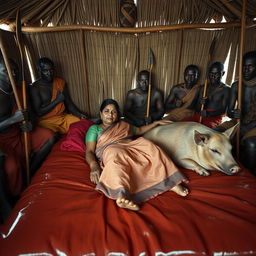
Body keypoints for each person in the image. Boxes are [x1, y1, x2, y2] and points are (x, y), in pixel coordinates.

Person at [85, 99, 189, 211]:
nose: (110, 114)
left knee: (149, 146)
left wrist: (156, 123)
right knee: (117, 157)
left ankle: (170, 183)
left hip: (130, 145)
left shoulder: (123, 124)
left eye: (114, 112)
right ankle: (121, 195)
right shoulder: (94, 129)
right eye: (107, 111)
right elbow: (89, 151)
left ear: (118, 114)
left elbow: (139, 130)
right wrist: (94, 166)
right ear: (101, 113)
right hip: (111, 150)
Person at [0, 56, 56, 202]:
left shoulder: (20, 90)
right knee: (12, 167)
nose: (13, 74)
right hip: (4, 141)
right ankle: (16, 195)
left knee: (49, 136)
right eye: (7, 71)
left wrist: (29, 122)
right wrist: (12, 120)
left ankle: (31, 170)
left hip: (21, 133)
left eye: (15, 70)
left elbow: (31, 113)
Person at [215, 51, 256, 174]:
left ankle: (248, 177)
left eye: (250, 66)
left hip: (254, 125)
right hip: (239, 121)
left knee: (251, 144)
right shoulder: (236, 86)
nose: (246, 70)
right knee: (214, 132)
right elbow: (229, 111)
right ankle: (218, 167)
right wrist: (234, 114)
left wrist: (245, 127)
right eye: (244, 66)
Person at [30, 57, 88, 134]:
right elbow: (39, 112)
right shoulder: (35, 87)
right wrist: (57, 101)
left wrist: (79, 115)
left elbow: (68, 103)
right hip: (45, 121)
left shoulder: (60, 82)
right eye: (45, 71)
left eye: (51, 70)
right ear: (39, 70)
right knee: (51, 134)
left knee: (83, 124)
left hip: (62, 117)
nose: (49, 73)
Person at [188, 62, 231, 128]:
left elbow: (224, 111)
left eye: (216, 73)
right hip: (198, 116)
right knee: (182, 125)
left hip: (214, 119)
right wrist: (200, 103)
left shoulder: (226, 90)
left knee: (205, 133)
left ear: (223, 73)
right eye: (211, 73)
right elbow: (196, 108)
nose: (213, 76)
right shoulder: (203, 88)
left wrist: (208, 113)